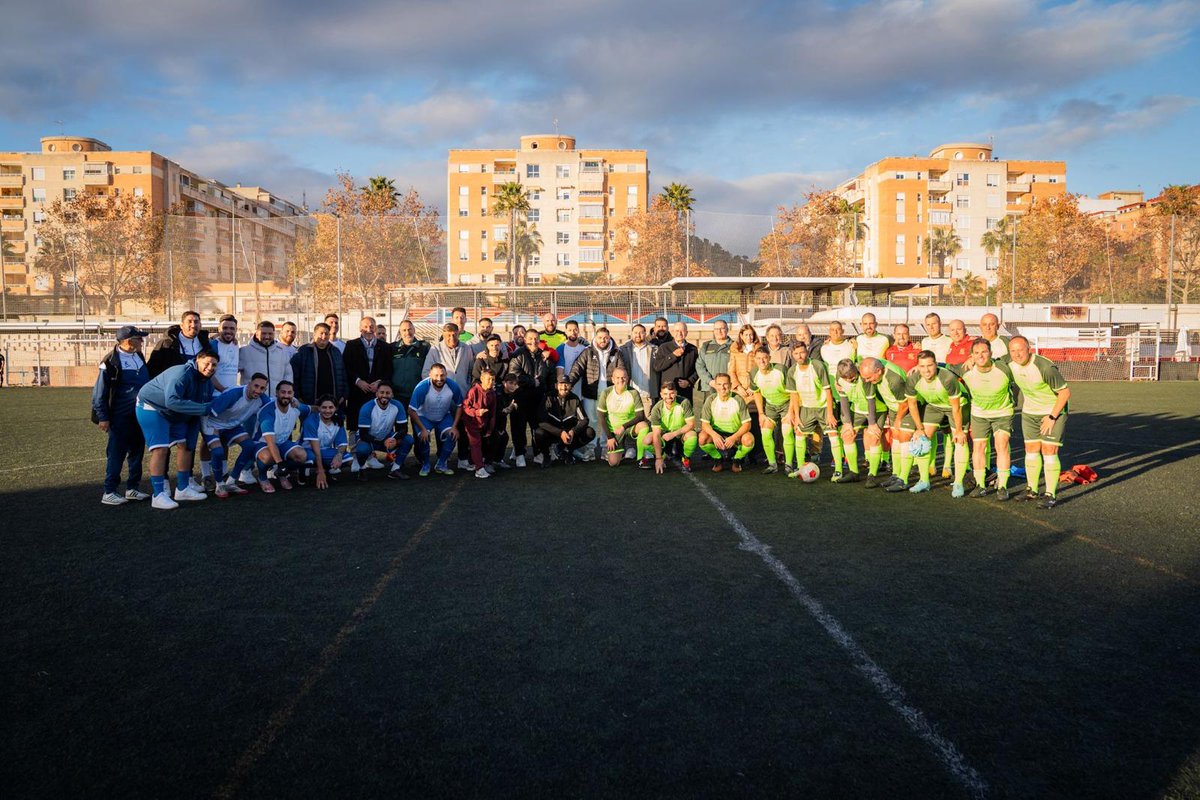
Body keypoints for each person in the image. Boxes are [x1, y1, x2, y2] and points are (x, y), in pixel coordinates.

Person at [135, 349, 218, 509]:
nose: (210, 367)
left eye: (214, 365)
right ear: (197, 360)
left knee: (186, 446)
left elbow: (199, 409)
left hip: (177, 412)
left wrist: (193, 437)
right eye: (206, 363)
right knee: (161, 449)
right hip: (153, 407)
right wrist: (203, 408)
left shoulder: (208, 382)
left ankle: (182, 488)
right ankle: (158, 495)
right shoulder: (182, 373)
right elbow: (172, 401)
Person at [1006, 336, 1070, 509]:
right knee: (1031, 450)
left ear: (1029, 349)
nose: (1017, 354)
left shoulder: (1044, 367)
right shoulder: (1009, 364)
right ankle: (1032, 489)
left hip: (1052, 412)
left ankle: (1050, 494)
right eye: (1013, 350)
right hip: (1029, 413)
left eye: (1020, 349)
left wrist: (1051, 417)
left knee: (1049, 450)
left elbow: (1064, 393)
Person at [92, 325, 151, 505]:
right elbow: (99, 392)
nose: (142, 341)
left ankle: (132, 488)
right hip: (119, 416)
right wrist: (103, 417)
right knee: (116, 453)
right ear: (128, 341)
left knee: (137, 451)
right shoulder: (110, 362)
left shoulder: (139, 356)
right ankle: (109, 491)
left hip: (139, 414)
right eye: (138, 338)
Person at [904, 351, 969, 496]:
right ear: (917, 367)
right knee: (921, 439)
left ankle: (958, 483)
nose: (926, 370)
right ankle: (924, 481)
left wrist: (959, 430)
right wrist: (919, 429)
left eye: (930, 365)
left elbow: (956, 407)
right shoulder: (913, 379)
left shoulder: (947, 378)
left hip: (957, 406)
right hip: (934, 406)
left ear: (936, 364)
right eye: (922, 366)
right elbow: (912, 405)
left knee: (960, 441)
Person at [959, 339, 1016, 500]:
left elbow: (1018, 354)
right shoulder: (965, 370)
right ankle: (981, 485)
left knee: (1001, 445)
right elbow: (941, 366)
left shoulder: (1003, 367)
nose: (981, 356)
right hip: (979, 414)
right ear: (971, 356)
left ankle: (1003, 486)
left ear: (991, 353)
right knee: (978, 447)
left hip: (1002, 412)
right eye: (976, 353)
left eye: (984, 352)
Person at [203, 373, 269, 498]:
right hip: (213, 423)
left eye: (262, 388)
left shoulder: (262, 398)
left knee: (250, 446)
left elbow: (274, 405)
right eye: (256, 386)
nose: (258, 390)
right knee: (217, 452)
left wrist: (296, 403)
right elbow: (208, 411)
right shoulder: (233, 394)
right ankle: (219, 484)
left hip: (232, 425)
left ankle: (231, 481)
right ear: (249, 384)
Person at [853, 357, 913, 490]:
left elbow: (905, 403)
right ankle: (896, 474)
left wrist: (898, 420)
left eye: (869, 378)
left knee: (904, 438)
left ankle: (904, 479)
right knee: (895, 438)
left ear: (879, 371)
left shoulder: (894, 380)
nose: (867, 381)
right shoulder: (875, 365)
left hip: (907, 408)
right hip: (893, 407)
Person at [567, 326, 626, 461]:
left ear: (609, 338)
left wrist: (621, 386)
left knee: (608, 421)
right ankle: (590, 449)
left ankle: (607, 448)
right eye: (600, 337)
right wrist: (569, 382)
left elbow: (622, 369)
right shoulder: (587, 352)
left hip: (610, 393)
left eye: (605, 338)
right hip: (590, 393)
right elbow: (577, 368)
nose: (603, 340)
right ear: (595, 338)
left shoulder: (616, 352)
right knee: (592, 421)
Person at [785, 340, 837, 479]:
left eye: (802, 352)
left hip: (823, 407)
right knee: (800, 434)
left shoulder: (817, 365)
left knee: (833, 435)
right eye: (796, 353)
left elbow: (828, 390)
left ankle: (838, 470)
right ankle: (801, 467)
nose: (799, 356)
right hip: (806, 408)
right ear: (792, 355)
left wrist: (830, 414)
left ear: (807, 351)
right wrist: (796, 416)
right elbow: (794, 395)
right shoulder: (791, 371)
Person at [344, 316, 391, 462]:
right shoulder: (351, 345)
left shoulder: (385, 347)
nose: (368, 330)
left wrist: (379, 382)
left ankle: (370, 456)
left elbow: (389, 370)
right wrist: (358, 381)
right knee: (355, 423)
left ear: (376, 329)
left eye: (371, 327)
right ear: (360, 328)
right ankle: (354, 455)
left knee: (372, 423)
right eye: (365, 327)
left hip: (375, 393)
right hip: (357, 392)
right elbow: (346, 368)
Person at [250, 380, 311, 493]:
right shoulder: (268, 411)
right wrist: (281, 464)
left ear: (293, 394)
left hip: (282, 442)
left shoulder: (295, 405)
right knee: (269, 456)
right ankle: (262, 477)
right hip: (263, 443)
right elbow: (271, 442)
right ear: (276, 393)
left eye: (289, 392)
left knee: (301, 455)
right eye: (283, 392)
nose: (286, 395)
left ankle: (280, 474)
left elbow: (311, 410)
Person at [506, 329, 557, 466]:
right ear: (525, 339)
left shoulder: (544, 356)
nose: (533, 341)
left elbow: (551, 375)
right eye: (530, 338)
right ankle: (519, 454)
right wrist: (531, 381)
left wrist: (550, 393)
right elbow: (513, 375)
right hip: (520, 397)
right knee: (519, 427)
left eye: (536, 338)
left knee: (538, 427)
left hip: (539, 398)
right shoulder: (518, 355)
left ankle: (538, 452)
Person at [408, 363, 464, 477]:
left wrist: (454, 426)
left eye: (442, 375)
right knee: (423, 437)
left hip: (443, 416)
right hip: (424, 417)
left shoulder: (452, 385)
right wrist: (423, 429)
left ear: (446, 375)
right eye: (436, 375)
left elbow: (460, 405)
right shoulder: (422, 387)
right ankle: (426, 464)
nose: (439, 378)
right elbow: (411, 410)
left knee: (453, 435)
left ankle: (441, 464)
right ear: (430, 375)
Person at [355, 381, 414, 481]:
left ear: (392, 394)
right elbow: (363, 434)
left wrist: (394, 439)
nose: (384, 395)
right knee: (362, 449)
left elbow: (404, 429)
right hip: (368, 439)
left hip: (387, 437)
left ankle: (395, 469)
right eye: (382, 392)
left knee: (408, 440)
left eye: (388, 393)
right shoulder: (367, 407)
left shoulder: (397, 405)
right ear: (376, 393)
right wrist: (383, 442)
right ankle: (362, 469)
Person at [533, 374, 595, 467]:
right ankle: (547, 456)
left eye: (566, 384)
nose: (564, 387)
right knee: (539, 433)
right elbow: (541, 421)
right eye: (561, 384)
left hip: (569, 436)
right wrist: (560, 433)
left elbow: (584, 420)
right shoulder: (548, 397)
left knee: (589, 432)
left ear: (570, 386)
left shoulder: (574, 399)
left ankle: (568, 450)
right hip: (553, 434)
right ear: (556, 385)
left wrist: (573, 431)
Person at [749, 347, 794, 474]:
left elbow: (793, 392)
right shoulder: (753, 373)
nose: (762, 361)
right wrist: (761, 414)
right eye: (758, 358)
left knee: (786, 432)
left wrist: (791, 412)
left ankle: (789, 465)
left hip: (786, 404)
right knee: (765, 432)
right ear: (755, 359)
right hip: (770, 406)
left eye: (764, 358)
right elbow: (757, 393)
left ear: (769, 358)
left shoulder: (781, 370)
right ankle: (772, 465)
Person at [698, 373, 754, 472]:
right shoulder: (710, 400)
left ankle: (737, 459)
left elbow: (747, 424)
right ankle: (718, 459)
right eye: (719, 384)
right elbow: (704, 424)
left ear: (731, 385)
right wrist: (714, 435)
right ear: (715, 385)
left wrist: (734, 437)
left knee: (749, 439)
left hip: (735, 434)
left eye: (725, 384)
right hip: (717, 434)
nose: (722, 387)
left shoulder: (738, 399)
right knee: (702, 438)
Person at [596, 367, 651, 467]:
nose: (620, 380)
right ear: (612, 379)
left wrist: (623, 426)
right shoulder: (606, 393)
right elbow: (601, 417)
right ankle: (623, 449)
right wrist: (610, 437)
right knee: (613, 463)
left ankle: (641, 458)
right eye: (617, 378)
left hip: (629, 428)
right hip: (614, 432)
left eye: (623, 377)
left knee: (644, 426)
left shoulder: (634, 392)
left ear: (628, 378)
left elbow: (640, 416)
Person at [290, 322, 347, 409]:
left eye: (326, 334)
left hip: (333, 403)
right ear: (314, 334)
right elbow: (294, 376)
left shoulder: (336, 352)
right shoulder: (303, 351)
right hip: (310, 403)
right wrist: (299, 397)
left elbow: (343, 374)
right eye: (321, 333)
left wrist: (343, 395)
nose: (324, 336)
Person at [302, 395, 349, 490]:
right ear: (318, 408)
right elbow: (315, 449)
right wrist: (320, 471)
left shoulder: (338, 420)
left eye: (331, 407)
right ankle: (303, 470)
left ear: (335, 408)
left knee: (348, 459)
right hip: (308, 450)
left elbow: (342, 443)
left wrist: (339, 455)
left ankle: (328, 469)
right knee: (310, 457)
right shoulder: (311, 420)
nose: (327, 411)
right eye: (324, 407)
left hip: (324, 450)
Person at [649, 380, 697, 474]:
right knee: (647, 441)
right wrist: (658, 458)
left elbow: (691, 424)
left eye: (671, 393)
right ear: (661, 395)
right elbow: (656, 434)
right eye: (665, 394)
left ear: (676, 393)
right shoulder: (656, 408)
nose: (668, 397)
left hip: (680, 433)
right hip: (665, 435)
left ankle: (686, 459)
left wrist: (674, 434)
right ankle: (662, 455)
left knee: (692, 436)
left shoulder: (684, 402)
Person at [147, 310, 210, 377]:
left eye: (196, 322)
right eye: (189, 321)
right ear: (181, 325)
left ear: (200, 325)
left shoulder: (205, 343)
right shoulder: (167, 343)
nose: (193, 325)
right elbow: (152, 369)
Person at [239, 320, 293, 395]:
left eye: (270, 334)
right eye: (263, 333)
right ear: (257, 334)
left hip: (274, 401)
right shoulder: (244, 352)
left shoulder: (282, 353)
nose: (267, 336)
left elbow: (288, 375)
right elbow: (231, 373)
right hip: (252, 401)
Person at [462, 369, 500, 478]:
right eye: (488, 379)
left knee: (492, 439)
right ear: (482, 379)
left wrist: (490, 429)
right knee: (476, 444)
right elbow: (465, 407)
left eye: (493, 380)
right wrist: (477, 412)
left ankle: (476, 462)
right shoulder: (473, 391)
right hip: (471, 423)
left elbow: (493, 413)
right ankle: (479, 469)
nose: (491, 382)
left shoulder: (492, 393)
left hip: (483, 424)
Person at [652, 321, 699, 404]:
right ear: (673, 332)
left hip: (685, 391)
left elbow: (697, 369)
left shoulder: (693, 349)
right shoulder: (664, 347)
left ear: (686, 333)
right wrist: (673, 355)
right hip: (668, 391)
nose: (679, 333)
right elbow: (657, 366)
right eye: (677, 331)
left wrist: (689, 382)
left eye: (682, 331)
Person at [389, 319, 430, 407]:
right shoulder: (392, 348)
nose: (407, 332)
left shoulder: (424, 347)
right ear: (400, 332)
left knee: (418, 421)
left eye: (410, 329)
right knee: (400, 421)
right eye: (404, 330)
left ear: (414, 330)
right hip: (397, 395)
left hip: (417, 393)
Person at [695, 319, 732, 416]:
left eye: (722, 328)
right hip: (709, 386)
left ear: (727, 329)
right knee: (709, 414)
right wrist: (710, 381)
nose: (719, 331)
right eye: (716, 329)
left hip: (727, 387)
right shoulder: (706, 346)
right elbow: (699, 365)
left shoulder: (734, 346)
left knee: (726, 414)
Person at [619, 323, 658, 407]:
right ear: (632, 333)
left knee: (647, 420)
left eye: (641, 332)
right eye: (635, 332)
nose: (638, 335)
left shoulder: (654, 349)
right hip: (629, 395)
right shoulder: (623, 350)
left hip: (647, 395)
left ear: (645, 333)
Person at [728, 324, 760, 402]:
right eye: (746, 335)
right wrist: (738, 387)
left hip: (754, 390)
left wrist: (753, 387)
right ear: (741, 336)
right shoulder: (735, 349)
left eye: (751, 335)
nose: (749, 337)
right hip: (739, 391)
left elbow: (761, 370)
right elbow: (731, 371)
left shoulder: (759, 349)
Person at [210, 314, 241, 393]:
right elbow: (208, 373)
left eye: (232, 328)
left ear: (236, 330)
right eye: (225, 328)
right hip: (215, 395)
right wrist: (223, 390)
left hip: (230, 395)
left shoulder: (235, 344)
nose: (228, 331)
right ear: (219, 329)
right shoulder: (213, 345)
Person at [555, 320, 590, 389]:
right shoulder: (561, 348)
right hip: (567, 386)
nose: (573, 333)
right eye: (570, 330)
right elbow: (560, 370)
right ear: (566, 332)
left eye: (575, 330)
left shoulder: (585, 348)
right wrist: (562, 386)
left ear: (578, 330)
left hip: (583, 388)